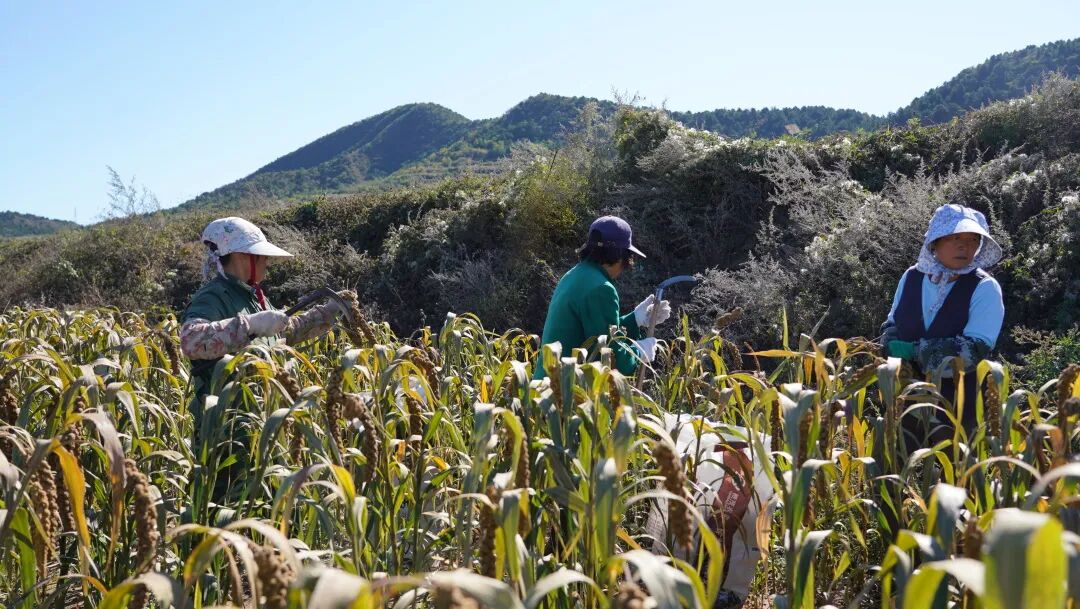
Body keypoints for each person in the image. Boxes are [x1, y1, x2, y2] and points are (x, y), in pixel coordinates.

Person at [179, 217, 345, 496]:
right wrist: (250, 325)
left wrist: (329, 312)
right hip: (228, 434)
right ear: (243, 256)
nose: (268, 263)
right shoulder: (214, 297)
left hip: (263, 427)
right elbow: (191, 340)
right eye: (262, 256)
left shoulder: (253, 297)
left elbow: (285, 331)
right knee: (227, 513)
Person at [880, 204, 1005, 445]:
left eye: (972, 240)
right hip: (905, 400)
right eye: (955, 237)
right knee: (897, 466)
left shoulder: (984, 288)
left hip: (956, 407)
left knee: (951, 474)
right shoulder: (912, 276)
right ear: (934, 242)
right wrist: (889, 344)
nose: (964, 246)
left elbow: (973, 351)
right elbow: (892, 322)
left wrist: (914, 351)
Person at [534, 215, 671, 379]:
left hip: (544, 391)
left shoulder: (574, 274)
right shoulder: (602, 289)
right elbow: (609, 358)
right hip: (566, 395)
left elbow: (597, 333)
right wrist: (638, 352)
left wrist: (635, 319)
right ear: (620, 256)